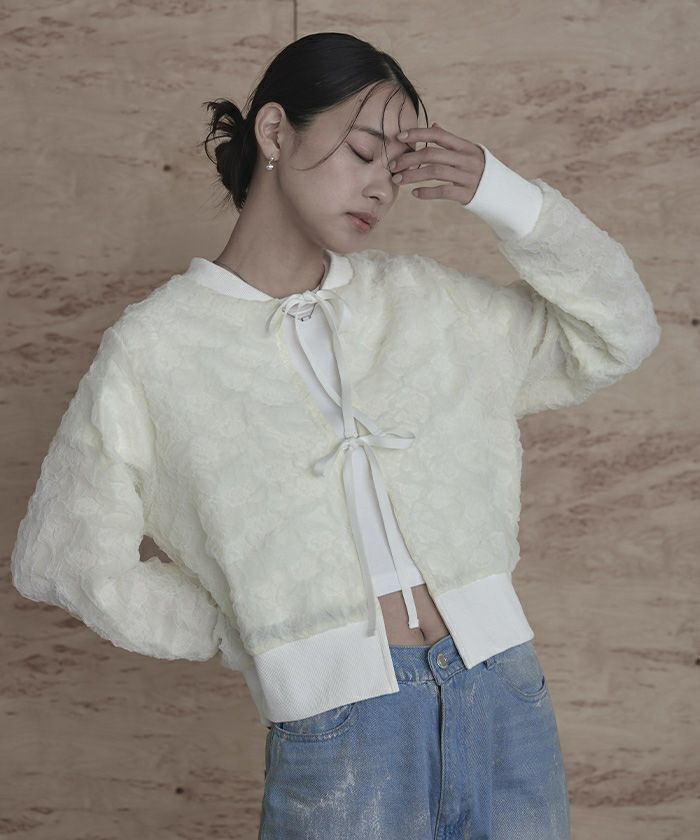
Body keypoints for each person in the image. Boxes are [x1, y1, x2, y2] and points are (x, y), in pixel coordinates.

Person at [10, 32, 662, 840]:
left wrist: (504, 195)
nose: (381, 185)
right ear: (275, 133)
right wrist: (250, 624)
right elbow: (66, 556)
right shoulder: (158, 349)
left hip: (506, 700)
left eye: (396, 164)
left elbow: (618, 333)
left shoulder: (426, 304)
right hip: (342, 735)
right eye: (361, 151)